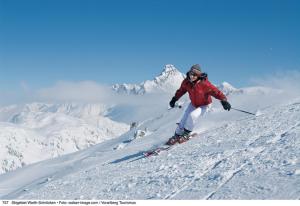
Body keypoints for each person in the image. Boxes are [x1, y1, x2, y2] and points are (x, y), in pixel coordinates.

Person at [167, 64, 231, 145]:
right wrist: (174, 99)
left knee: (192, 115)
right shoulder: (186, 82)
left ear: (199, 75)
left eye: (195, 75)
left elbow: (216, 92)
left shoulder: (205, 84)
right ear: (189, 73)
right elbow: (181, 91)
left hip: (205, 104)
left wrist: (224, 100)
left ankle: (186, 133)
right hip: (194, 104)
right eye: (191, 74)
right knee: (184, 118)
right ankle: (177, 135)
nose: (192, 76)